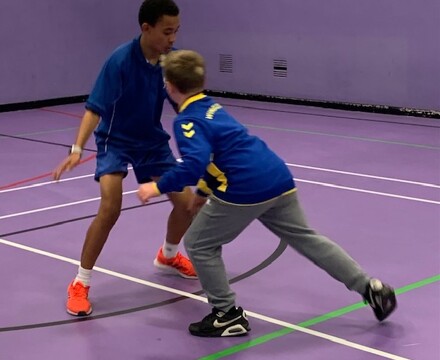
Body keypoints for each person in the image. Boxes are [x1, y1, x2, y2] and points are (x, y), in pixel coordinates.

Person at [137, 49, 398, 337]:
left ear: (170, 87)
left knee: (199, 243)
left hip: (246, 187)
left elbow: (195, 163)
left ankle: (226, 314)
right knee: (308, 239)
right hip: (277, 176)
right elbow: (221, 155)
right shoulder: (212, 107)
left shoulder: (187, 120)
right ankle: (370, 287)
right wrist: (202, 191)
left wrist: (157, 185)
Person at [53, 0, 197, 317]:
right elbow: (95, 108)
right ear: (146, 28)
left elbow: (185, 106)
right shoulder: (119, 61)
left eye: (176, 31)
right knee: (110, 205)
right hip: (115, 141)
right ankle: (80, 282)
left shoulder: (168, 63)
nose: (172, 39)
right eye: (167, 31)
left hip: (151, 143)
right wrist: (77, 149)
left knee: (188, 204)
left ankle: (168, 255)